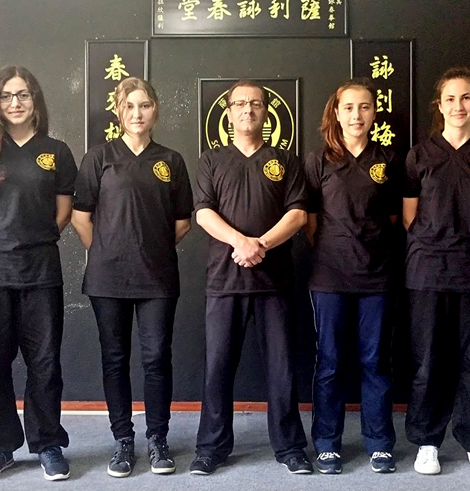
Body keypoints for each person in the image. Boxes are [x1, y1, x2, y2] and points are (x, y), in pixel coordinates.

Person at [72, 77, 193, 478]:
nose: (137, 113)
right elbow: (81, 218)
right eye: (129, 106)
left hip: (157, 277)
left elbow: (182, 222)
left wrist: (149, 248)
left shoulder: (171, 160)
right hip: (107, 279)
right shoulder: (99, 157)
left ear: (155, 109)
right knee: (114, 358)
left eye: (144, 105)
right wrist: (108, 251)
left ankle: (158, 439)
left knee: (157, 357)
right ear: (119, 111)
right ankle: (123, 440)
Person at [190, 79, 311, 476]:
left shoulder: (286, 160)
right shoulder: (211, 160)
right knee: (217, 368)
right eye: (240, 103)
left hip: (274, 281)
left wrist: (261, 244)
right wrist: (240, 242)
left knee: (282, 368)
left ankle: (290, 447)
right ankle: (211, 447)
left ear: (265, 111)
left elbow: (298, 214)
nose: (248, 109)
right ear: (228, 112)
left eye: (255, 103)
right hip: (224, 281)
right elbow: (203, 213)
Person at [304, 78, 400, 475]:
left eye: (364, 107)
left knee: (375, 362)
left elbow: (394, 218)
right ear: (337, 113)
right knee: (330, 362)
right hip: (329, 277)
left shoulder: (388, 159)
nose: (356, 115)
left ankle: (379, 443)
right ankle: (327, 444)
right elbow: (309, 222)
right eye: (349, 107)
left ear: (373, 113)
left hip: (377, 277)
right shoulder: (318, 160)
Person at [0, 66, 76, 480]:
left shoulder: (56, 151)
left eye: (23, 95)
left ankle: (48, 443)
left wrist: (35, 239)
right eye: (6, 95)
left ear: (35, 101)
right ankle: (3, 445)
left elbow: (63, 213)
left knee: (44, 362)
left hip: (41, 271)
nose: (15, 103)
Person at [403, 67, 470, 475]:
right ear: (439, 106)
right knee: (428, 361)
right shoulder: (420, 155)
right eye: (451, 98)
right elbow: (409, 216)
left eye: (467, 98)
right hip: (427, 271)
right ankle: (427, 441)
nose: (459, 106)